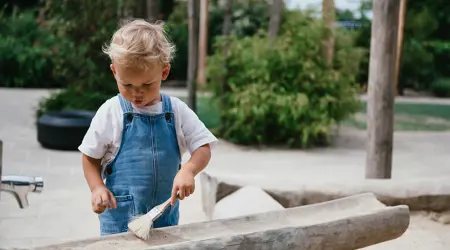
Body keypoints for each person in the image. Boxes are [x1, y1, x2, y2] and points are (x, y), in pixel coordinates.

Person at [78, 19, 218, 236]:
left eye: (146, 85)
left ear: (164, 72)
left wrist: (189, 170)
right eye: (127, 85)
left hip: (165, 220)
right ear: (114, 72)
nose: (137, 93)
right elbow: (89, 156)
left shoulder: (177, 111)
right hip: (119, 223)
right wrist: (97, 187)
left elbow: (203, 146)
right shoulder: (111, 112)